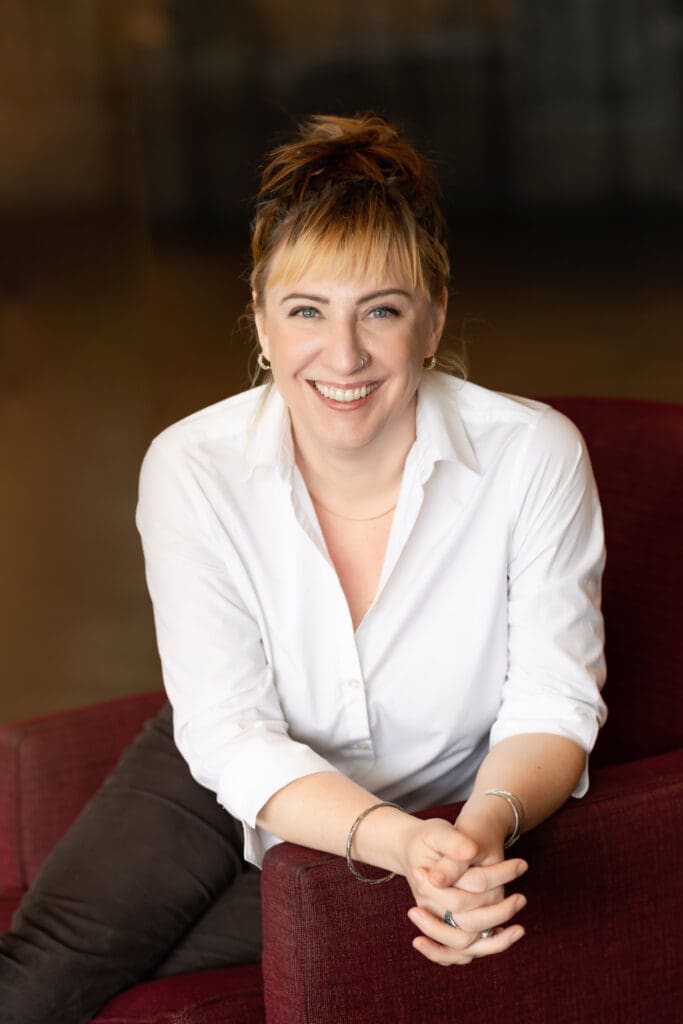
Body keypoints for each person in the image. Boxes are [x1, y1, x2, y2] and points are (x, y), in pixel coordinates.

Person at [0, 113, 607, 1022]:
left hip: (434, 798)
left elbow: (554, 702)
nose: (345, 355)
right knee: (40, 975)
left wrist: (465, 835)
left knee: (142, 973)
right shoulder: (190, 466)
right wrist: (396, 844)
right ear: (260, 320)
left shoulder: (532, 456)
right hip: (222, 766)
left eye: (381, 310)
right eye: (306, 311)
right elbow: (228, 729)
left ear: (432, 318)